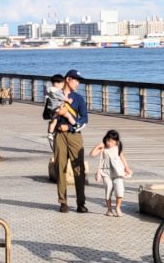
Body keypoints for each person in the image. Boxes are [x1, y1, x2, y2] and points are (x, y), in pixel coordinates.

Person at [51, 69, 89, 213]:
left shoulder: (78, 98)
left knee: (79, 168)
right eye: (76, 80)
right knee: (60, 167)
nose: (77, 83)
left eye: (79, 81)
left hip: (75, 135)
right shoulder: (55, 96)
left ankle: (81, 203)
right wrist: (56, 114)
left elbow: (84, 119)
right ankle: (63, 201)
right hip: (59, 135)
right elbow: (46, 114)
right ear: (67, 79)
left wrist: (71, 125)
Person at [88, 130, 132, 216]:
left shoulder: (117, 148)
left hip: (118, 172)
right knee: (108, 189)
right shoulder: (103, 148)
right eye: (108, 141)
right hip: (106, 172)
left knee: (119, 190)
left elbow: (122, 157)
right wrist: (98, 146)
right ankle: (109, 209)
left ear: (116, 142)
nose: (109, 143)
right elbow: (92, 154)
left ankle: (117, 208)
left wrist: (127, 168)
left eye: (111, 142)